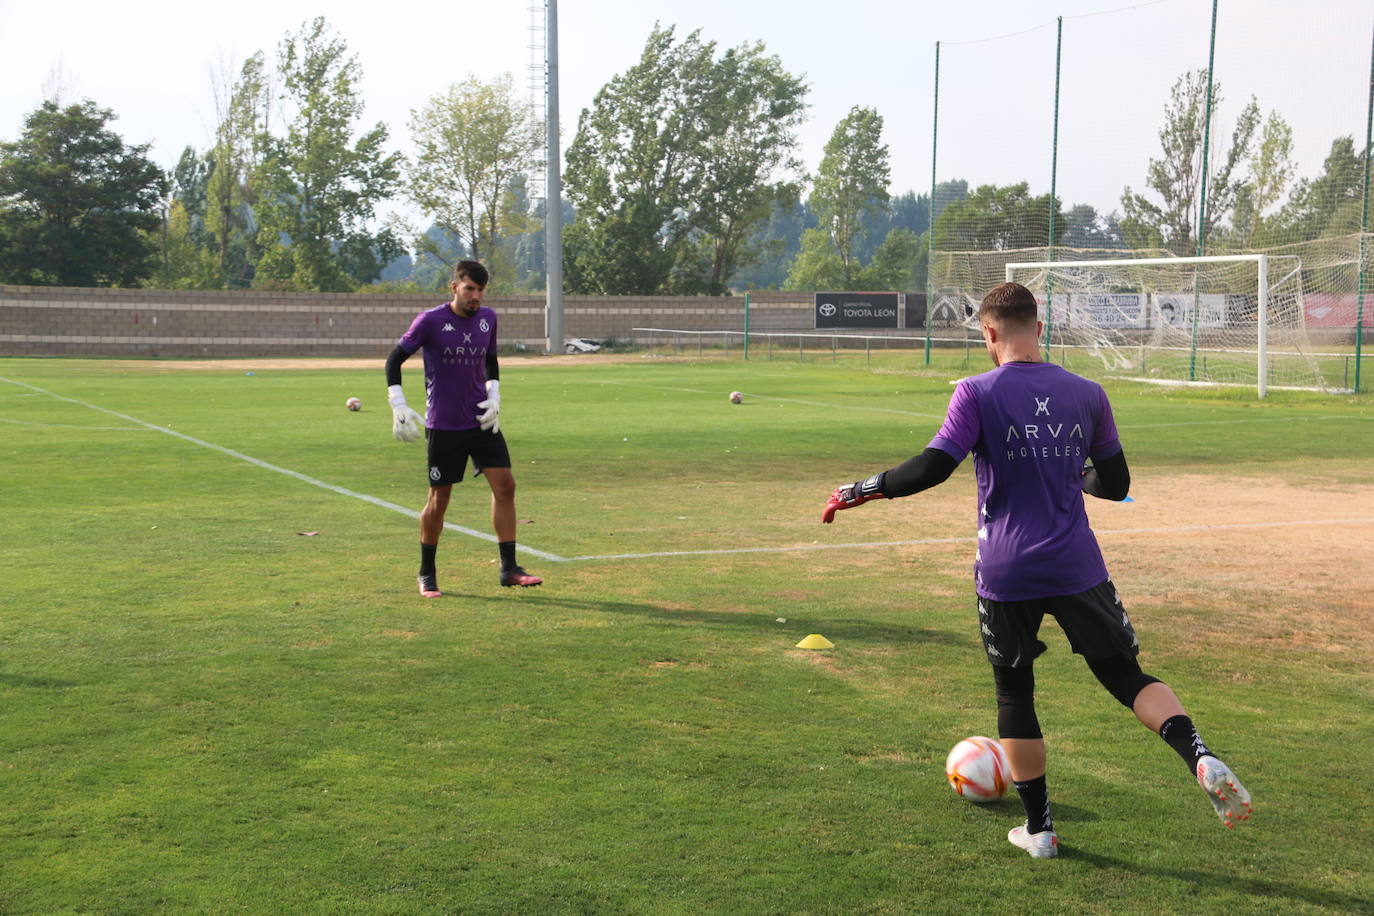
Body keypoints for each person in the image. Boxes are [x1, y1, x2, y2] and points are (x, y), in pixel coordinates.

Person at [821, 281, 1250, 858]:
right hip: (1077, 564)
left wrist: (860, 490)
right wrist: (1079, 477)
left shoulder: (975, 392)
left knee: (1015, 691)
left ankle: (1041, 830)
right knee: (1126, 677)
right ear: (1039, 328)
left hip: (1006, 569)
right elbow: (1117, 485)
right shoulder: (1088, 393)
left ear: (989, 333)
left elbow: (931, 468)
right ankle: (1199, 755)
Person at [385, 260, 542, 597]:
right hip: (444, 425)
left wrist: (495, 395)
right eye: (470, 288)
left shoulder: (489, 319)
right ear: (454, 287)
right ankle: (426, 572)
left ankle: (509, 568)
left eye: (481, 290)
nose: (476, 296)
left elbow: (490, 358)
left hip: (481, 421)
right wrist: (397, 403)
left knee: (506, 486)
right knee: (439, 499)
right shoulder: (430, 321)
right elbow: (394, 359)